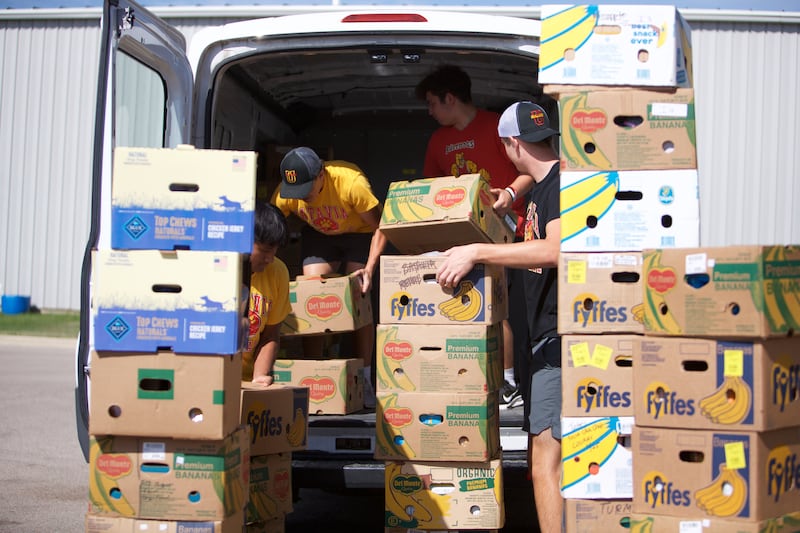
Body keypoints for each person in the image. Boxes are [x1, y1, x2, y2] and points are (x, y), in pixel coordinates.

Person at [434, 101, 562, 533]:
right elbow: (535, 177)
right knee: (539, 456)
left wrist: (477, 251)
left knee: (546, 460)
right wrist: (508, 196)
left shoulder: (560, 186)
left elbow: (554, 250)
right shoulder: (548, 180)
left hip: (558, 343)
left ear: (510, 144)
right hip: (542, 340)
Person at [416, 64, 529, 408]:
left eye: (432, 103)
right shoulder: (438, 141)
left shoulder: (498, 126)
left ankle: (508, 383)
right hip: (462, 240)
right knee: (462, 306)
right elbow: (430, 191)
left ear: (450, 98)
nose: (429, 111)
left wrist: (507, 195)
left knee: (501, 309)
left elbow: (532, 172)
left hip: (509, 233)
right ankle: (464, 377)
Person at [271, 146, 386, 408]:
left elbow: (380, 227)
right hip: (320, 235)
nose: (303, 198)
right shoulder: (285, 193)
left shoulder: (352, 184)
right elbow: (271, 224)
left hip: (359, 232)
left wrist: (369, 269)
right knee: (312, 291)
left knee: (359, 291)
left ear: (322, 174)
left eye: (306, 190)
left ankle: (365, 376)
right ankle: (314, 373)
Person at [244, 202, 292, 386]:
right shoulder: (217, 269)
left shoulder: (278, 271)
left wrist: (258, 379)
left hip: (247, 381)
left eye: (274, 251)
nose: (270, 259)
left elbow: (270, 335)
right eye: (264, 251)